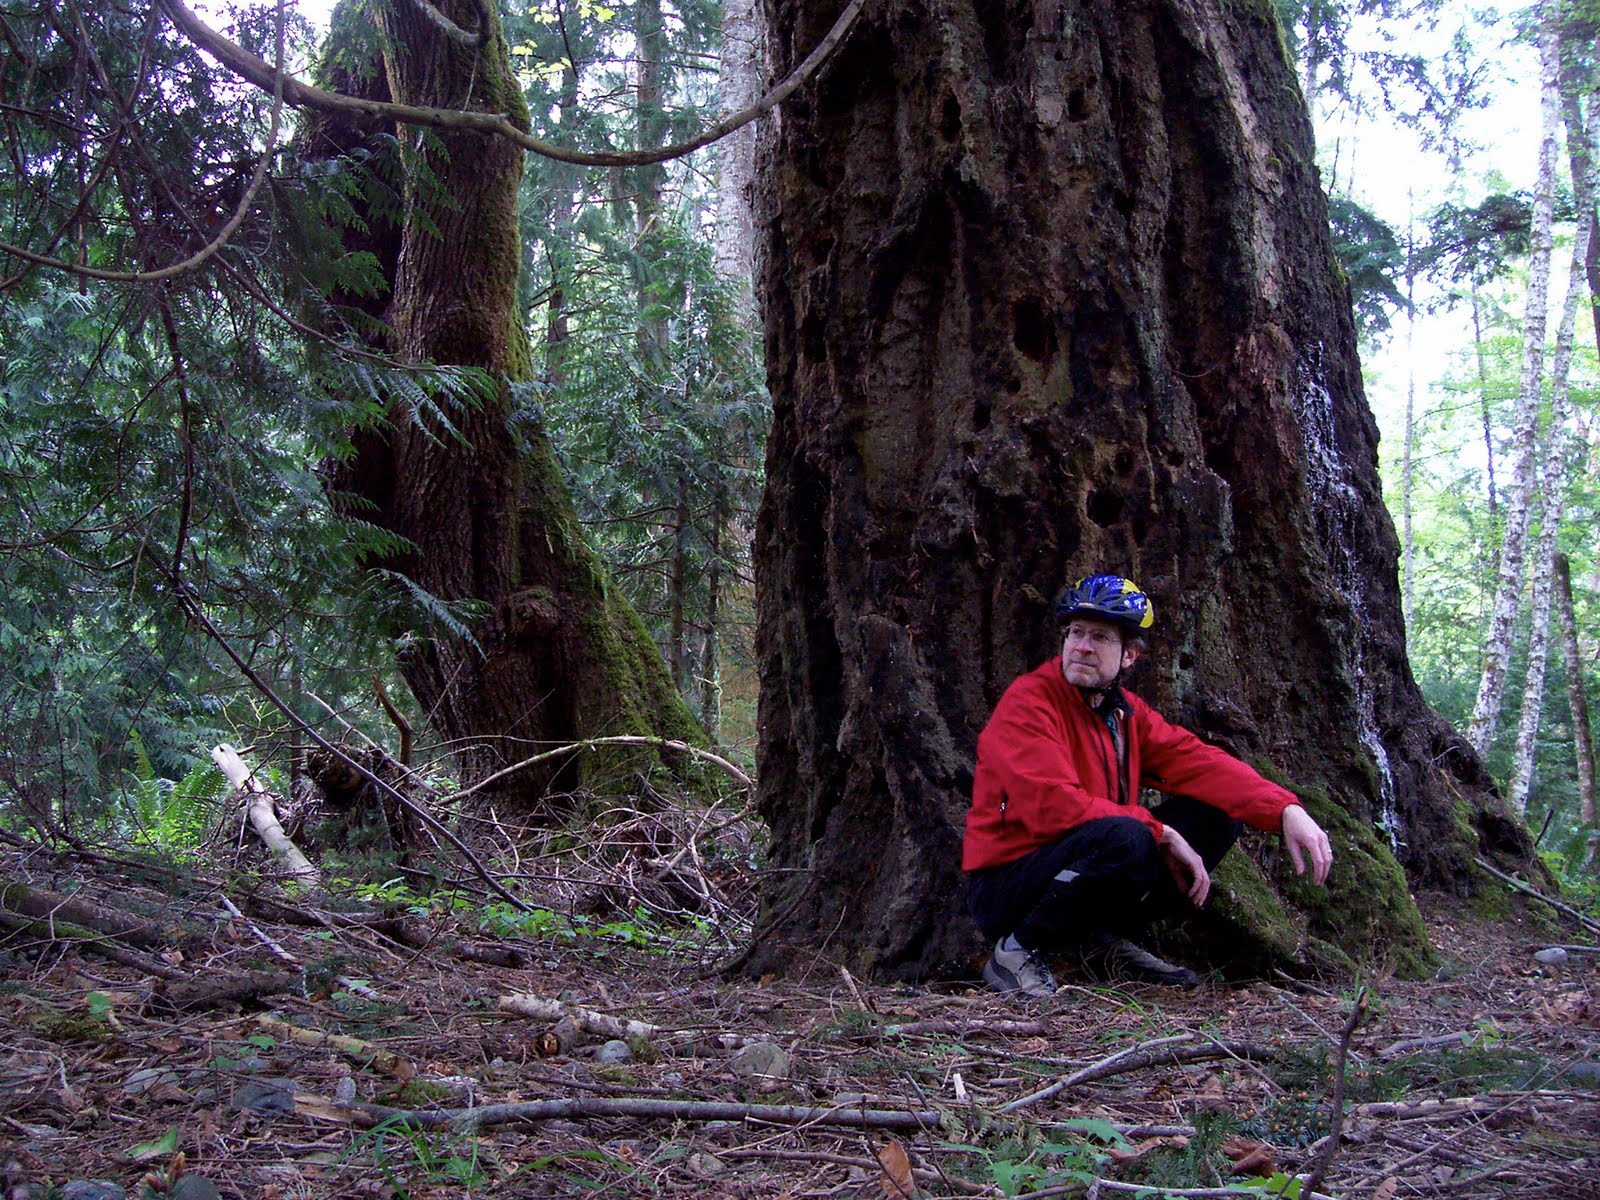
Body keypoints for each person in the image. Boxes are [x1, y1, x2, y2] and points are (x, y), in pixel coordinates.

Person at [962, 573, 1333, 994]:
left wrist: (1285, 808)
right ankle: (1018, 951)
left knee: (1217, 816)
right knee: (1131, 837)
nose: (1082, 646)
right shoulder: (1029, 702)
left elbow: (1199, 763)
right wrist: (1162, 831)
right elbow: (1051, 806)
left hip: (1076, 860)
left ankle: (1101, 941)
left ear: (1129, 657)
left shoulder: (1124, 714)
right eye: (1075, 633)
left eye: (1100, 637)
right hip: (1006, 885)